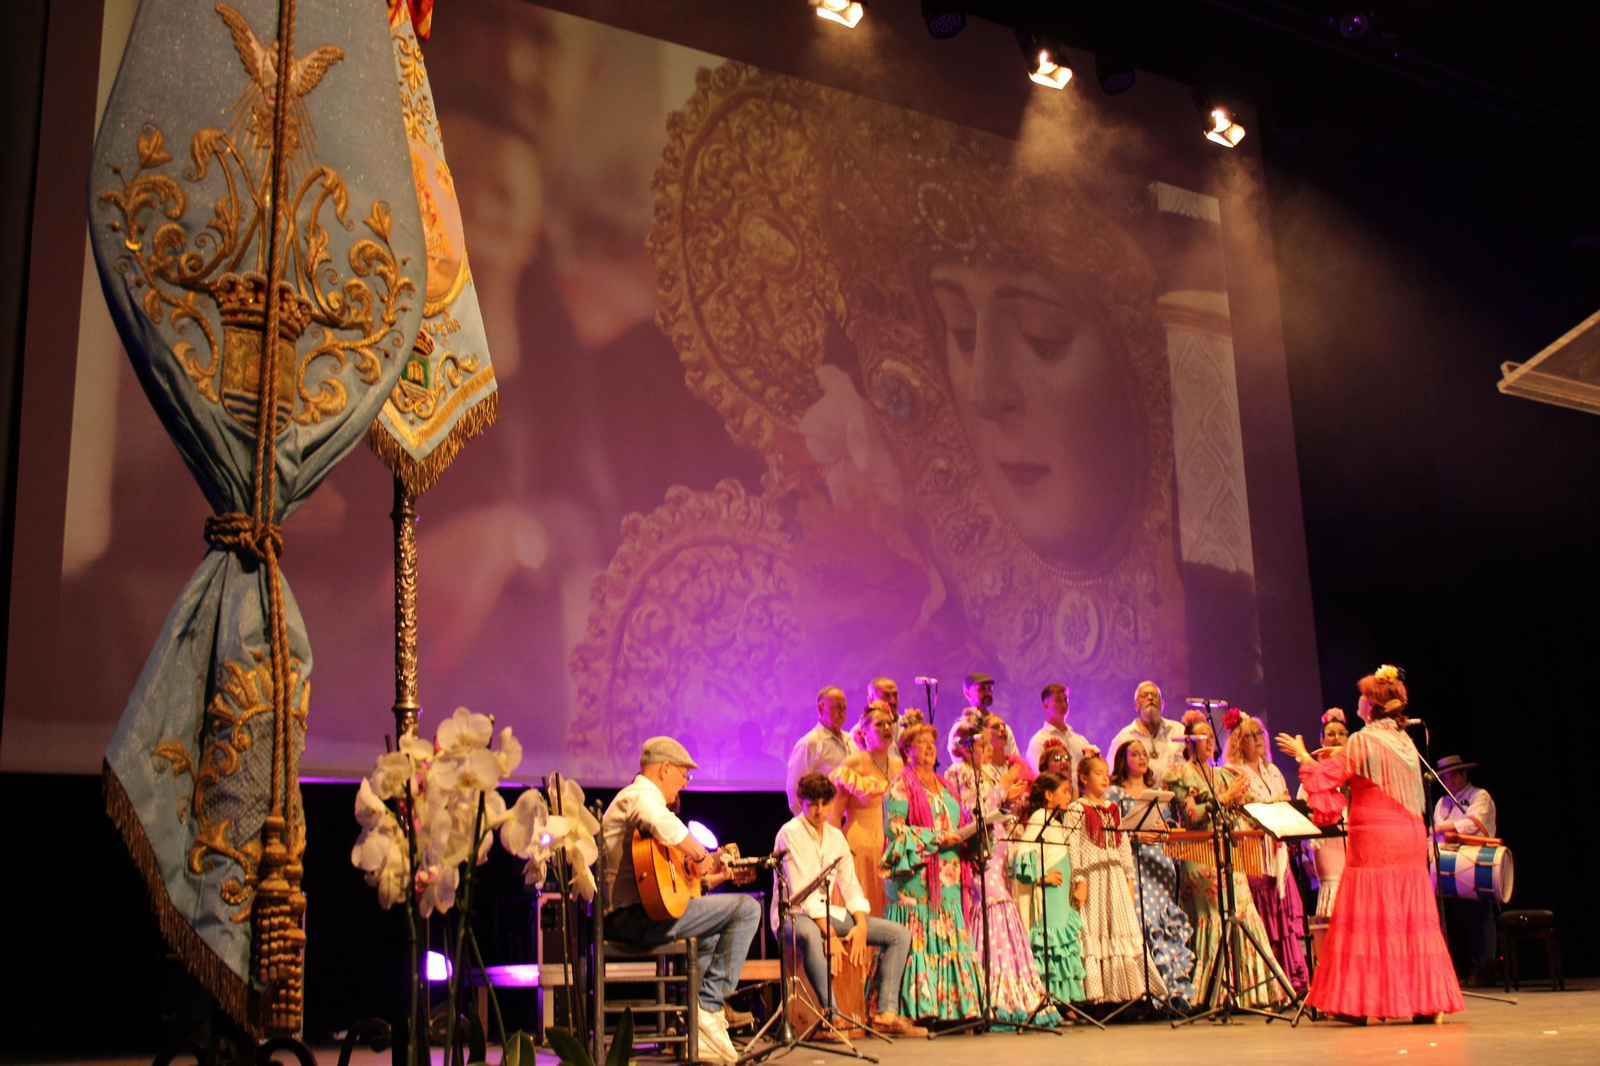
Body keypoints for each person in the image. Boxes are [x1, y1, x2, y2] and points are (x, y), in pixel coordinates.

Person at [1276, 666, 1464, 1023]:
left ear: (1372, 705)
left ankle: (1360, 1004)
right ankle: (1426, 1003)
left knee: (1371, 917)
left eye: (1364, 696)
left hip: (1376, 839)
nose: (1359, 701)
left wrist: (1302, 755)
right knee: (1409, 919)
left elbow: (1328, 776)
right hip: (1409, 837)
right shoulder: (1405, 742)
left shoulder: (1364, 741)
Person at [601, 737, 762, 1062]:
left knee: (712, 932)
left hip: (642, 914)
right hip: (633, 919)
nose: (686, 784)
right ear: (664, 769)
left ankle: (699, 1024)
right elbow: (660, 822)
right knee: (747, 909)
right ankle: (708, 1008)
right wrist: (703, 856)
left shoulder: (641, 804)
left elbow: (667, 886)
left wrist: (711, 875)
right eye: (684, 775)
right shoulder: (640, 796)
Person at [772, 773, 925, 1035]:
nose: (819, 811)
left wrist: (861, 925)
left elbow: (851, 885)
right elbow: (801, 893)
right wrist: (830, 935)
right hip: (793, 915)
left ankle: (886, 1012)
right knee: (809, 934)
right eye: (812, 804)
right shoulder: (790, 832)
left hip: (827, 914)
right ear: (801, 802)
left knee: (899, 934)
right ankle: (832, 1013)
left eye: (824, 804)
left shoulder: (835, 837)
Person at [1163, 710, 1285, 1008]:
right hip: (1200, 856)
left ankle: (1252, 990)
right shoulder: (1180, 773)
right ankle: (1214, 990)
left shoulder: (1224, 775)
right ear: (1189, 742)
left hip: (1228, 852)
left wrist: (1270, 805)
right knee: (1216, 916)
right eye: (1202, 736)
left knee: (1243, 911)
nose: (1209, 741)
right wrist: (1224, 799)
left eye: (1210, 736)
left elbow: (1245, 809)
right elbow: (1191, 816)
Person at [944, 719, 1059, 1026]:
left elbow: (998, 809)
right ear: (964, 748)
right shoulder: (957, 773)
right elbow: (969, 809)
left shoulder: (990, 773)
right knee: (992, 905)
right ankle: (990, 992)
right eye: (981, 745)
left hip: (999, 847)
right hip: (978, 850)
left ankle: (1017, 990)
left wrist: (1009, 800)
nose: (986, 750)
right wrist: (1001, 789)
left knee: (1004, 904)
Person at [882, 724, 983, 1023]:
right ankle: (919, 1009)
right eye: (921, 742)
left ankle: (953, 1008)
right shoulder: (900, 784)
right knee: (920, 940)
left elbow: (958, 823)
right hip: (917, 877)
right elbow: (895, 830)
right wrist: (937, 838)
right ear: (906, 750)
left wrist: (974, 833)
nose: (929, 747)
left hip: (949, 874)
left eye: (931, 742)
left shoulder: (945, 785)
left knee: (950, 936)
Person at [1063, 754, 1167, 1004]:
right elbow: (1072, 846)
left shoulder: (1113, 809)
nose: (1104, 778)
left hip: (1115, 877)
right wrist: (1079, 880)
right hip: (1093, 878)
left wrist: (1129, 878)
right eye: (1098, 773)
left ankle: (1128, 993)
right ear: (1084, 779)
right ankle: (1098, 994)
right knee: (1095, 930)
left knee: (1122, 930)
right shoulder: (1077, 809)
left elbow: (1122, 846)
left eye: (1106, 773)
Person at [1223, 709, 1311, 992]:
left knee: (1281, 909)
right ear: (1238, 741)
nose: (1258, 739)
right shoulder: (1233, 772)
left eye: (1259, 733)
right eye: (1250, 735)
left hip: (1277, 851)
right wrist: (1272, 805)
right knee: (1263, 911)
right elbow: (1240, 810)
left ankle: (1290, 976)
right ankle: (1266, 981)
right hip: (1254, 852)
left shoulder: (1273, 771)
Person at [1107, 739, 1197, 1009]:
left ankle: (1174, 991)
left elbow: (1169, 824)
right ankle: (1144, 994)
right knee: (1141, 920)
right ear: (1123, 760)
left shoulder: (1158, 792)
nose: (1142, 758)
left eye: (1144, 754)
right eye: (1135, 754)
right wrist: (1134, 835)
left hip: (1159, 863)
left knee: (1163, 922)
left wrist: (1164, 829)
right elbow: (1110, 831)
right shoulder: (1115, 793)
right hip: (1133, 862)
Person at [1011, 772, 1087, 1004]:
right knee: (1050, 942)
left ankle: (1065, 999)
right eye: (1064, 792)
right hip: (1049, 894)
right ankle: (1049, 998)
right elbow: (1023, 854)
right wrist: (1042, 877)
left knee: (1062, 942)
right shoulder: (1039, 819)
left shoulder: (1055, 822)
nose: (1069, 797)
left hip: (1060, 894)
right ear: (1048, 795)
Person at [1432, 754, 1499, 987]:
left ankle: (1486, 968)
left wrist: (1443, 828)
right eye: (1445, 778)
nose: (1449, 781)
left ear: (1464, 774)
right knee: (1464, 918)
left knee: (1481, 915)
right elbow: (1435, 833)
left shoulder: (1480, 796)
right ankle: (1472, 968)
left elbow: (1473, 823)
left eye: (1453, 776)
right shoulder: (1442, 803)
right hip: (1452, 863)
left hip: (1477, 861)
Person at [830, 702, 903, 916]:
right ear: (865, 733)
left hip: (893, 847)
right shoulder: (854, 763)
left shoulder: (900, 765)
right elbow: (835, 814)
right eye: (879, 724)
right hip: (861, 847)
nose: (887, 728)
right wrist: (835, 851)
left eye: (889, 723)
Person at [1296, 708, 1350, 919]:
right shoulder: (1313, 775)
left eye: (1341, 734)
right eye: (1331, 734)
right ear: (1322, 740)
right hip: (1328, 845)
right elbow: (1303, 817)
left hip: (1356, 842)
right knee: (1335, 896)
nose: (1337, 738)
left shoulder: (1355, 770)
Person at [786, 686, 859, 817]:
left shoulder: (851, 740)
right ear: (821, 708)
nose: (842, 713)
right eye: (837, 708)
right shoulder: (810, 743)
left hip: (851, 819)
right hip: (824, 821)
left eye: (844, 708)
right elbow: (794, 789)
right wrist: (809, 822)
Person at [1107, 681, 1187, 784]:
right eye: (1144, 695)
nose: (1150, 698)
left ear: (1162, 704)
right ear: (1136, 705)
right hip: (1138, 793)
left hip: (1174, 793)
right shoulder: (1125, 736)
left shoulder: (1178, 730)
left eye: (1155, 695)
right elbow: (1112, 774)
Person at [1024, 684, 1095, 783]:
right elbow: (1040, 777)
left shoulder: (1080, 740)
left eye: (1065, 700)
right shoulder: (1039, 741)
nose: (1063, 704)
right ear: (1046, 706)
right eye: (1058, 701)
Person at [946, 672, 1018, 760]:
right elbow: (959, 760)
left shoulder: (1003, 729)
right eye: (982, 689)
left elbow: (1014, 758)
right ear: (967, 693)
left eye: (990, 689)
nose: (988, 693)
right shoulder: (961, 729)